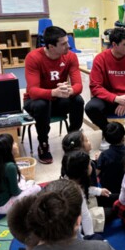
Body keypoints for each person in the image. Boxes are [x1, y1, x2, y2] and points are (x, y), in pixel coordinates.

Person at [24, 25, 85, 164]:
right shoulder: (33, 57)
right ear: (51, 47)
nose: (68, 46)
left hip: (58, 100)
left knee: (78, 100)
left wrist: (71, 90)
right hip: (35, 102)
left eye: (67, 42)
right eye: (63, 44)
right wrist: (53, 92)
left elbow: (78, 85)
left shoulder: (70, 57)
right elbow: (33, 91)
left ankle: (73, 139)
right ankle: (43, 144)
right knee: (42, 103)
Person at [0, 134, 41, 215]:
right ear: (7, 150)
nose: (16, 144)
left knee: (22, 179)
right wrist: (24, 189)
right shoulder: (10, 167)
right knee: (37, 187)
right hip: (2, 207)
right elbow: (15, 192)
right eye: (13, 143)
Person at [61, 150, 110, 239]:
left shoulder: (66, 178)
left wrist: (98, 191)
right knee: (112, 210)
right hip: (74, 234)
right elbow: (85, 217)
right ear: (84, 171)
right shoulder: (77, 193)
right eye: (89, 164)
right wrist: (90, 237)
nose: (91, 165)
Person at [96, 122, 125, 204]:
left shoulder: (104, 155)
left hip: (109, 190)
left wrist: (98, 160)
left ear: (106, 140)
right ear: (123, 137)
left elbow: (96, 173)